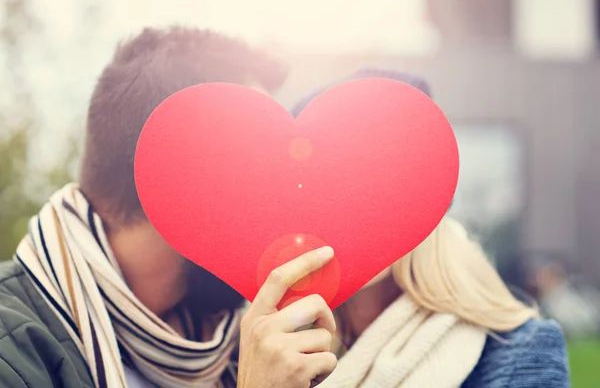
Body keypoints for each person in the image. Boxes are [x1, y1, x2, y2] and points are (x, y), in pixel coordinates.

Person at [0, 26, 338, 388]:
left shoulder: (238, 345)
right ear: (178, 182)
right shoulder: (12, 351)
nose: (285, 199)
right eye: (264, 167)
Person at [288, 68, 571, 388]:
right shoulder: (274, 350)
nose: (349, 209)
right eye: (321, 186)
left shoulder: (517, 353)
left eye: (373, 180)